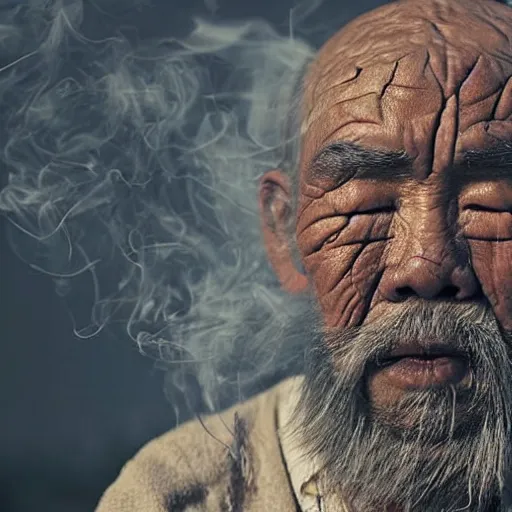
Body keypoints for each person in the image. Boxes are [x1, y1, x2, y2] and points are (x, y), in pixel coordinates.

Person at [93, 0, 512, 510]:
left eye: (492, 200)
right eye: (365, 203)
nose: (425, 267)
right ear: (282, 231)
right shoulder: (183, 497)